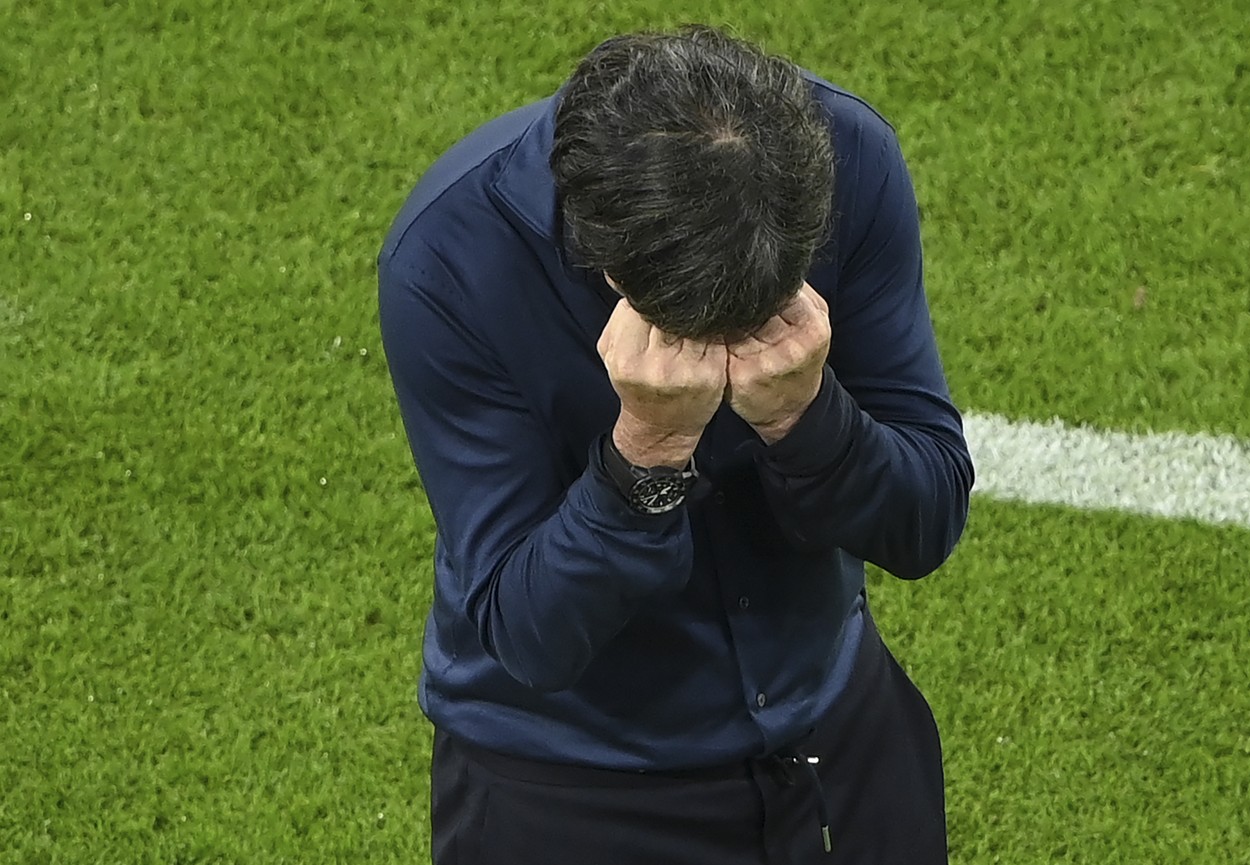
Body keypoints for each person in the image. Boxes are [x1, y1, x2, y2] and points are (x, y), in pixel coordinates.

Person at [377, 24, 973, 865]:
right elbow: (531, 636)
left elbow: (927, 519)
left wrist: (809, 420)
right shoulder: (448, 262)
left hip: (841, 735)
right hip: (572, 790)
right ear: (606, 267)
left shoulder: (852, 159)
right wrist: (644, 451)